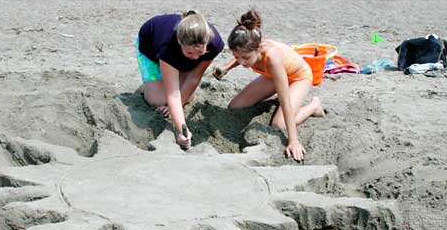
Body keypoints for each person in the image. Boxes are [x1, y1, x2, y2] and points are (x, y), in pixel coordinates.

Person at [212, 10, 324, 162]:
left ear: (258, 49)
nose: (242, 62)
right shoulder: (248, 43)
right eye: (236, 57)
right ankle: (285, 101)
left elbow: (284, 100)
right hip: (272, 76)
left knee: (279, 125)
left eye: (246, 58)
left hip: (298, 77)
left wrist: (293, 141)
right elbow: (241, 54)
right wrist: (226, 67)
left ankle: (313, 107)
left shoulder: (272, 58)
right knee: (235, 107)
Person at [136, 11, 224, 150]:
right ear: (179, 41)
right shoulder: (167, 46)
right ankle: (146, 87)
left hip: (179, 57)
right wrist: (181, 130)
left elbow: (194, 77)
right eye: (190, 52)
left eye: (200, 52)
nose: (195, 57)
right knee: (158, 100)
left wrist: (180, 104)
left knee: (188, 96)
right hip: (150, 47)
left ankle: (162, 81)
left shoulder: (215, 44)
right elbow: (173, 94)